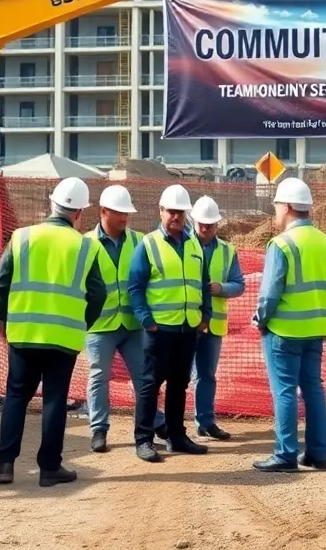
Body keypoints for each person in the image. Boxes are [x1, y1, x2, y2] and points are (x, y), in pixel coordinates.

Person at [0, 177, 107, 487]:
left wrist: (8, 320)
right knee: (54, 399)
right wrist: (82, 323)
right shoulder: (85, 246)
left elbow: (1, 284)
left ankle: (4, 465)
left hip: (24, 334)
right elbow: (98, 294)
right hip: (63, 339)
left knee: (16, 397)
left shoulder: (22, 237)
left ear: (52, 204)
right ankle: (50, 468)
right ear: (79, 213)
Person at [251, 176, 326, 472]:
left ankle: (286, 453)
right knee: (313, 388)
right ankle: (317, 453)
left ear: (288, 207)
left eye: (277, 205)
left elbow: (269, 293)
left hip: (283, 331)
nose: (275, 211)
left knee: (285, 391)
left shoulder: (282, 244)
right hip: (315, 328)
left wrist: (261, 320)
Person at [127, 183, 211, 462]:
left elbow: (202, 281)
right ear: (161, 211)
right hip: (159, 330)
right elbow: (135, 286)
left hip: (187, 329)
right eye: (171, 212)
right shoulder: (148, 244)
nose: (176, 216)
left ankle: (176, 436)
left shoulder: (194, 243)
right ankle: (143, 439)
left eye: (180, 212)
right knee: (151, 385)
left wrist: (205, 315)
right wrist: (146, 320)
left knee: (179, 384)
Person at [151, 194, 245, 440]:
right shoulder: (182, 244)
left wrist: (221, 288)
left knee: (206, 375)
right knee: (175, 376)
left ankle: (205, 421)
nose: (205, 228)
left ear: (217, 224)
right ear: (193, 221)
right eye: (201, 224)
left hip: (212, 325)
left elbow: (239, 284)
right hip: (185, 323)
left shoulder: (227, 251)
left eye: (210, 224)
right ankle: (167, 423)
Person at [84, 184, 146, 453]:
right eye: (119, 213)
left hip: (133, 324)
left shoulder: (139, 241)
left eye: (127, 214)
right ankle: (99, 429)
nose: (124, 218)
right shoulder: (86, 244)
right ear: (104, 212)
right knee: (99, 376)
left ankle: (151, 424)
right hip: (101, 325)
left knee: (144, 378)